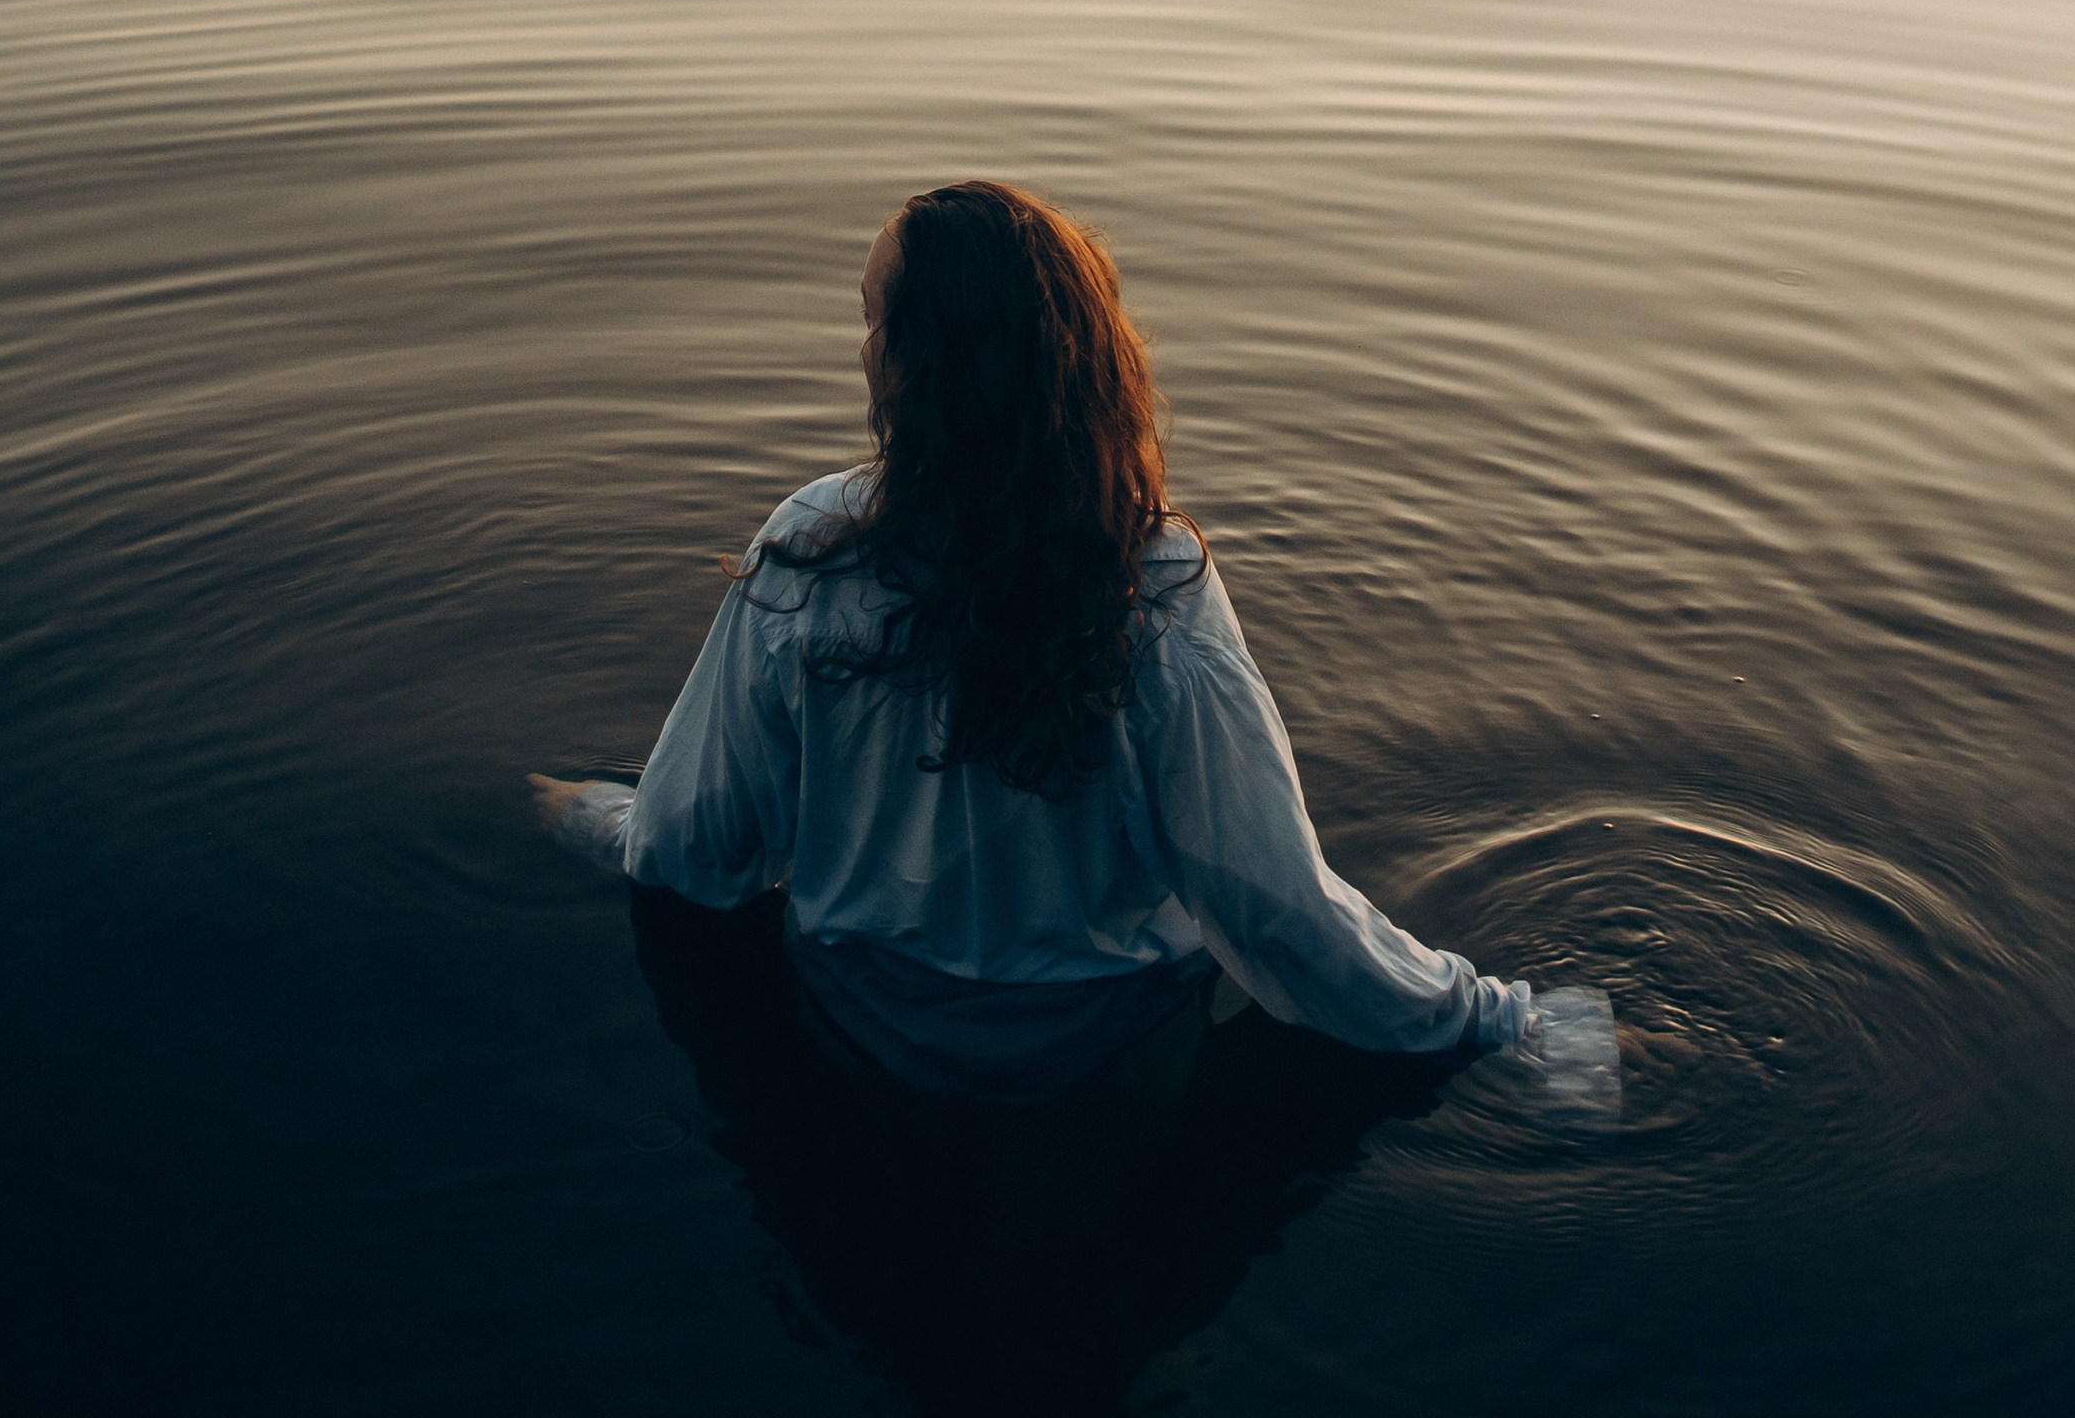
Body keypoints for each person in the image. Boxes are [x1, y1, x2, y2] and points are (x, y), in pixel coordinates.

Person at [531, 178, 1618, 1118]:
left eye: (874, 320)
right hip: (1107, 1062)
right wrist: (1517, 1029)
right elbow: (1273, 905)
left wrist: (589, 811)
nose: (863, 352)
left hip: (866, 1040)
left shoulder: (811, 553)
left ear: (922, 361)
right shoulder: (1150, 583)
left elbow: (685, 847)